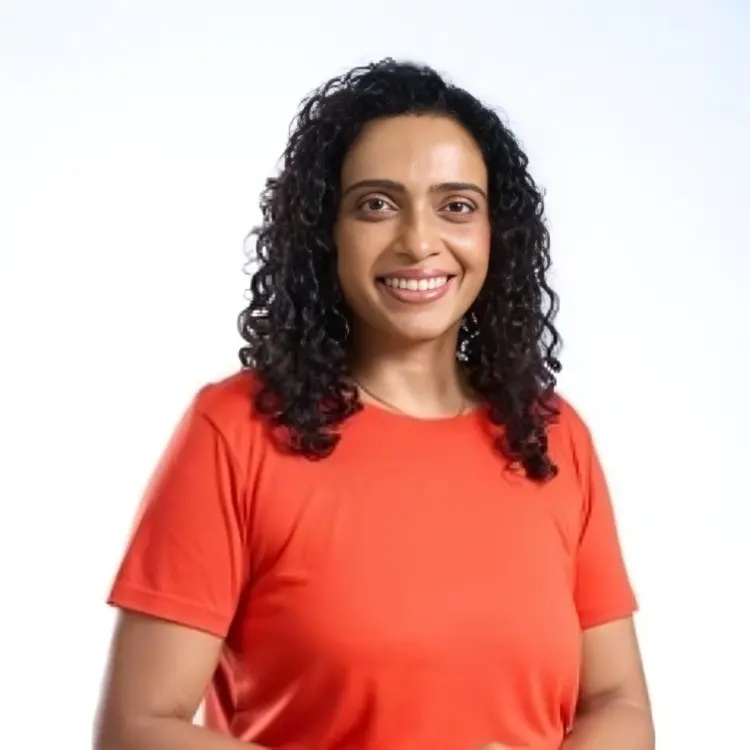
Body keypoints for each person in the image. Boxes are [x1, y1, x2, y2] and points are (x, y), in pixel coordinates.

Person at [94, 59, 654, 750]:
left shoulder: (552, 437)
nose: (419, 241)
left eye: (456, 206)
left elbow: (619, 704)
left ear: (495, 233)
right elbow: (137, 728)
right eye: (377, 205)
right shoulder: (235, 431)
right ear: (325, 231)